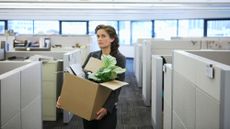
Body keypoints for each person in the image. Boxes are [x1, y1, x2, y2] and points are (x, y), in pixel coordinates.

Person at [57, 24, 126, 129]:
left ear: (112, 38)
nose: (100, 39)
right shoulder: (92, 55)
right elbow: (82, 80)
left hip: (107, 106)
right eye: (98, 36)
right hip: (89, 104)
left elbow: (117, 87)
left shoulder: (119, 58)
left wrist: (106, 108)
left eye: (103, 36)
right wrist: (65, 97)